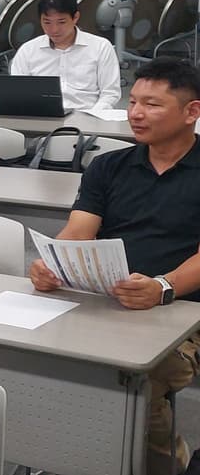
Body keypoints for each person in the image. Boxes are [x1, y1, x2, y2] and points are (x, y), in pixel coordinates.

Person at [28, 57, 200, 475]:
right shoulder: (109, 166)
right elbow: (79, 230)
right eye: (133, 101)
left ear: (191, 111)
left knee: (134, 381)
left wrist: (163, 287)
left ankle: (159, 462)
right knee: (35, 360)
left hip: (183, 313)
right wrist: (52, 263)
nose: (136, 113)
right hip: (105, 300)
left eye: (152, 104)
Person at [9, 0, 122, 111]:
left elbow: (110, 94)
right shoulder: (28, 50)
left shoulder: (100, 47)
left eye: (61, 22)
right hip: (43, 115)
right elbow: (18, 92)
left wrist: (93, 116)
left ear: (75, 17)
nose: (54, 29)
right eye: (47, 22)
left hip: (86, 114)